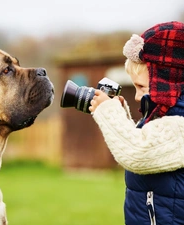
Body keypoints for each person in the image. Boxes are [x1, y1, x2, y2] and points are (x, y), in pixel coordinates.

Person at [89, 21, 184, 225]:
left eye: (142, 87)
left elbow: (138, 152)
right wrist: (121, 115)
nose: (138, 96)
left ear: (167, 82)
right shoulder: (165, 117)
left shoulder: (180, 123)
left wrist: (108, 112)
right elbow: (150, 143)